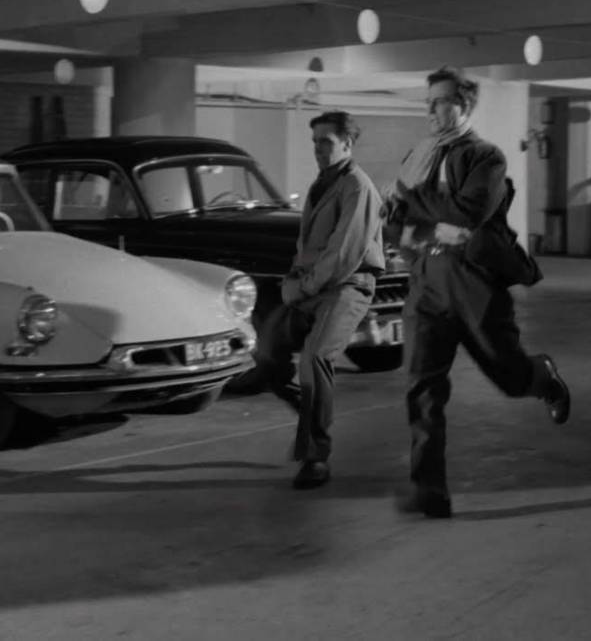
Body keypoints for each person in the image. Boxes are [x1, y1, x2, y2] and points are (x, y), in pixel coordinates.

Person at [382, 66, 571, 519]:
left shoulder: (485, 158)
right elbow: (392, 222)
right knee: (422, 387)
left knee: (508, 376)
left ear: (464, 105)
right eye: (428, 102)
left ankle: (541, 377)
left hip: (474, 284)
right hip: (427, 280)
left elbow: (467, 212)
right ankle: (430, 490)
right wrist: (425, 227)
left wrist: (414, 203)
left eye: (441, 101)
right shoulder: (418, 156)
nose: (431, 110)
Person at [233, 110, 384, 489]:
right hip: (313, 287)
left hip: (348, 287)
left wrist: (300, 289)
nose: (317, 149)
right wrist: (293, 282)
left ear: (347, 143)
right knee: (266, 353)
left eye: (326, 142)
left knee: (315, 359)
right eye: (315, 142)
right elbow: (307, 249)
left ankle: (316, 457)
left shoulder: (357, 187)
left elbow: (343, 254)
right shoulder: (321, 183)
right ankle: (313, 409)